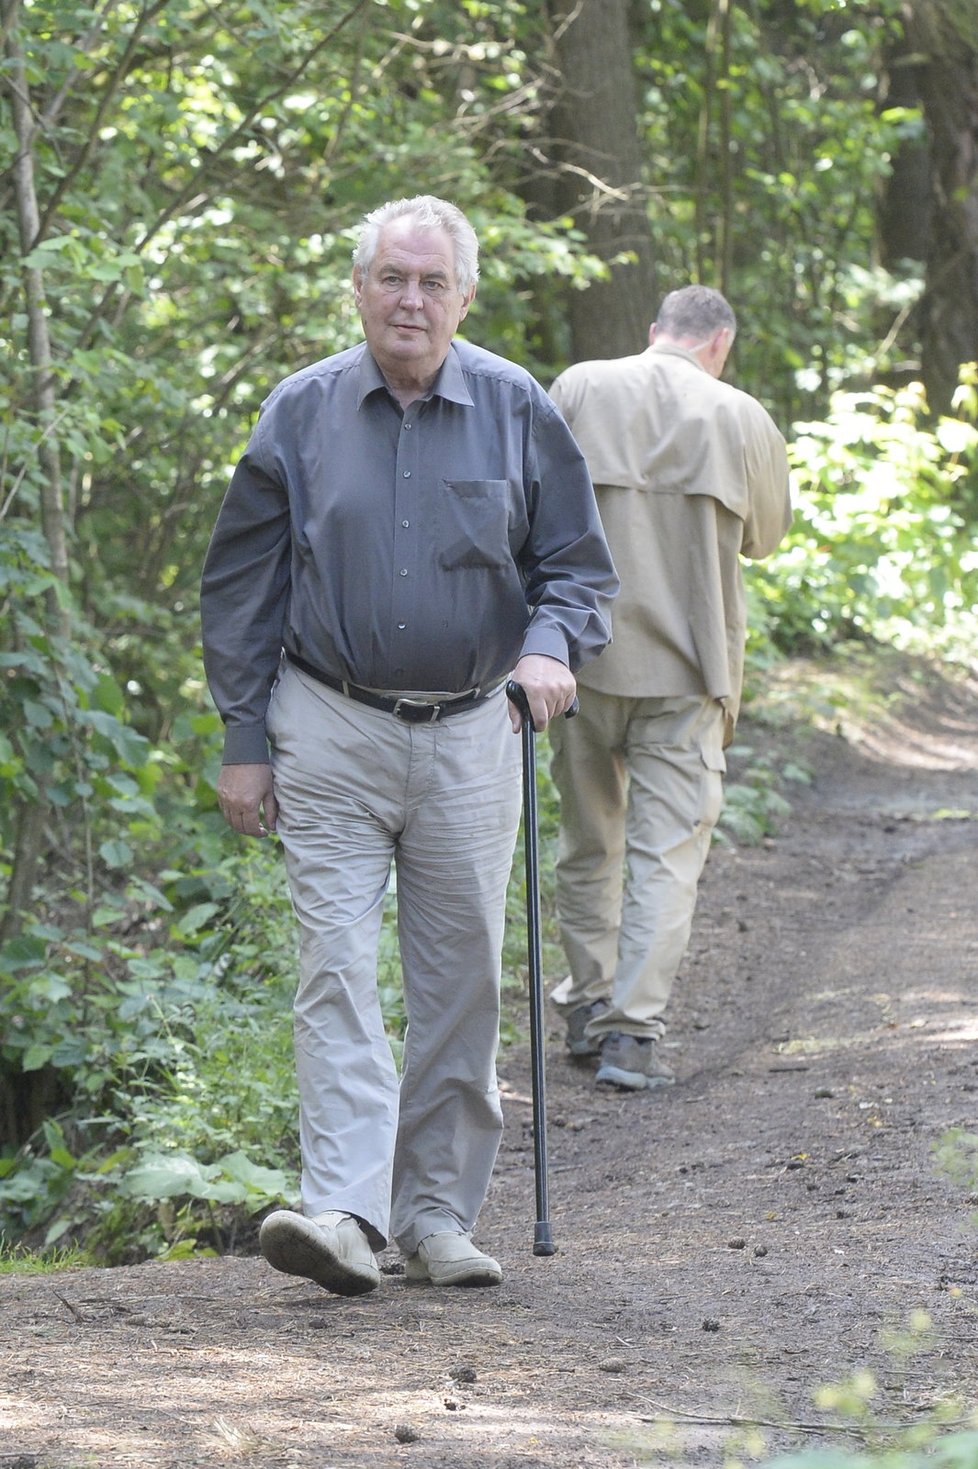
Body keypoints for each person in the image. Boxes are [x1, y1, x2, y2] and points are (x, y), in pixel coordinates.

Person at [199, 195, 618, 1295]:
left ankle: (435, 1212)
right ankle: (344, 1208)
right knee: (333, 964)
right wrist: (246, 736)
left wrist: (548, 646)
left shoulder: (518, 406)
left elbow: (576, 564)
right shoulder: (300, 411)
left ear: (464, 296)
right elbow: (241, 586)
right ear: (359, 286)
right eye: (393, 276)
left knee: (462, 975)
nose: (411, 300)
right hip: (328, 723)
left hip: (477, 725)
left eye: (432, 282)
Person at [546, 285, 792, 1091]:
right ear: (719, 343)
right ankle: (630, 1033)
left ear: (654, 333)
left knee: (588, 842)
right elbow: (766, 536)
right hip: (690, 673)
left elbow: (530, 512)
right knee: (665, 856)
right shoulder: (740, 416)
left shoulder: (581, 385)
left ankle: (585, 1001)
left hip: (579, 663)